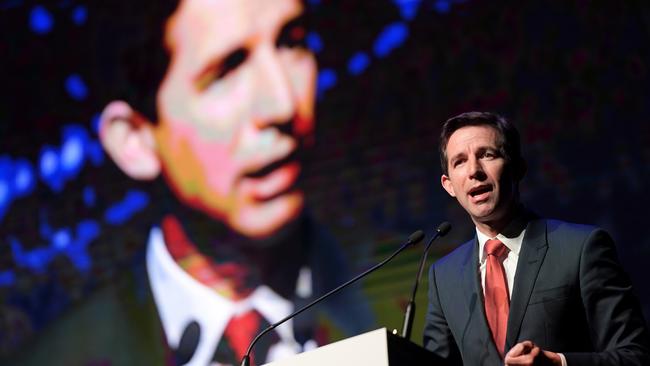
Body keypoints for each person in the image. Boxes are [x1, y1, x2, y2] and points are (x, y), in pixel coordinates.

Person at [95, 0, 373, 365]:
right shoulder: (65, 356)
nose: (283, 104)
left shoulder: (428, 294)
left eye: (292, 42)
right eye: (227, 70)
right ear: (135, 141)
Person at [423, 111, 650, 365]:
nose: (474, 170)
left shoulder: (580, 248)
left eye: (487, 155)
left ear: (518, 168)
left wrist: (558, 363)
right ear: (449, 185)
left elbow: (635, 356)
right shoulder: (443, 277)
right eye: (460, 162)